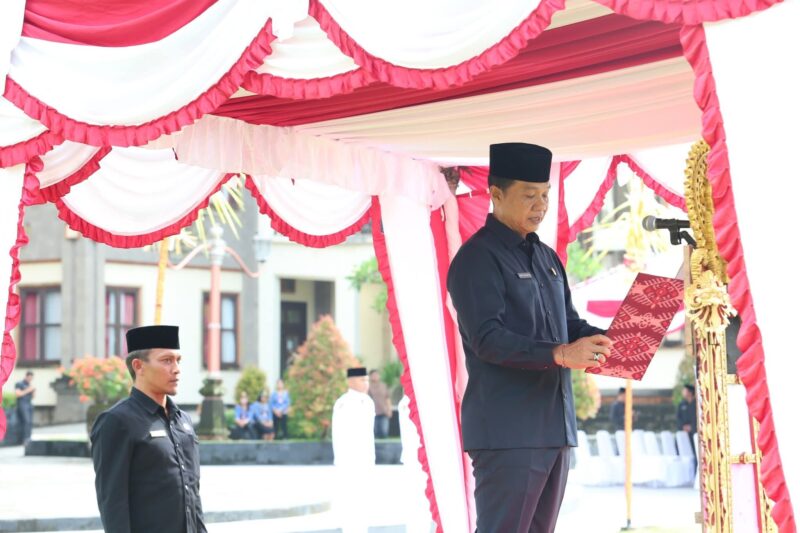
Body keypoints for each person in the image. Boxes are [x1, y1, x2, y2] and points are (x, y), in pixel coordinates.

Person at [447, 143, 612, 533]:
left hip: (554, 428)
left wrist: (614, 339)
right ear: (496, 194)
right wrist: (561, 354)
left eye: (545, 195)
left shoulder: (547, 258)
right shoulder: (477, 259)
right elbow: (488, 339)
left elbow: (569, 326)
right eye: (529, 195)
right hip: (508, 432)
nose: (541, 206)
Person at [90, 325, 206, 533]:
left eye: (178, 360)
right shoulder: (117, 421)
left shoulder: (184, 421)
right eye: (166, 360)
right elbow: (113, 503)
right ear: (138, 366)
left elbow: (193, 495)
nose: (176, 369)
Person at [331, 367, 375, 533]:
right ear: (351, 382)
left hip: (366, 461)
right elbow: (339, 436)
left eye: (367, 380)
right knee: (350, 506)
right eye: (362, 380)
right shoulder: (343, 403)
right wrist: (342, 463)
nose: (366, 383)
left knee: (364, 506)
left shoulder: (368, 402)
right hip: (349, 463)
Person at [367, 369, 392, 439]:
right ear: (370, 376)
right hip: (372, 413)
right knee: (374, 433)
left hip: (384, 412)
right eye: (373, 375)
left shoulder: (383, 386)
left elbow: (387, 398)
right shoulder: (367, 387)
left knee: (384, 432)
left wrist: (389, 410)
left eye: (376, 375)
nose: (375, 376)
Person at [14, 371, 35, 444]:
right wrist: (28, 390)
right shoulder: (19, 384)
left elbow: (33, 397)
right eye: (29, 378)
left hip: (29, 403)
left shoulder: (29, 384)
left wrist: (33, 391)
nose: (30, 379)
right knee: (26, 421)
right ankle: (25, 439)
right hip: (22, 403)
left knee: (30, 422)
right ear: (26, 376)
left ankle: (29, 438)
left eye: (31, 378)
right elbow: (18, 394)